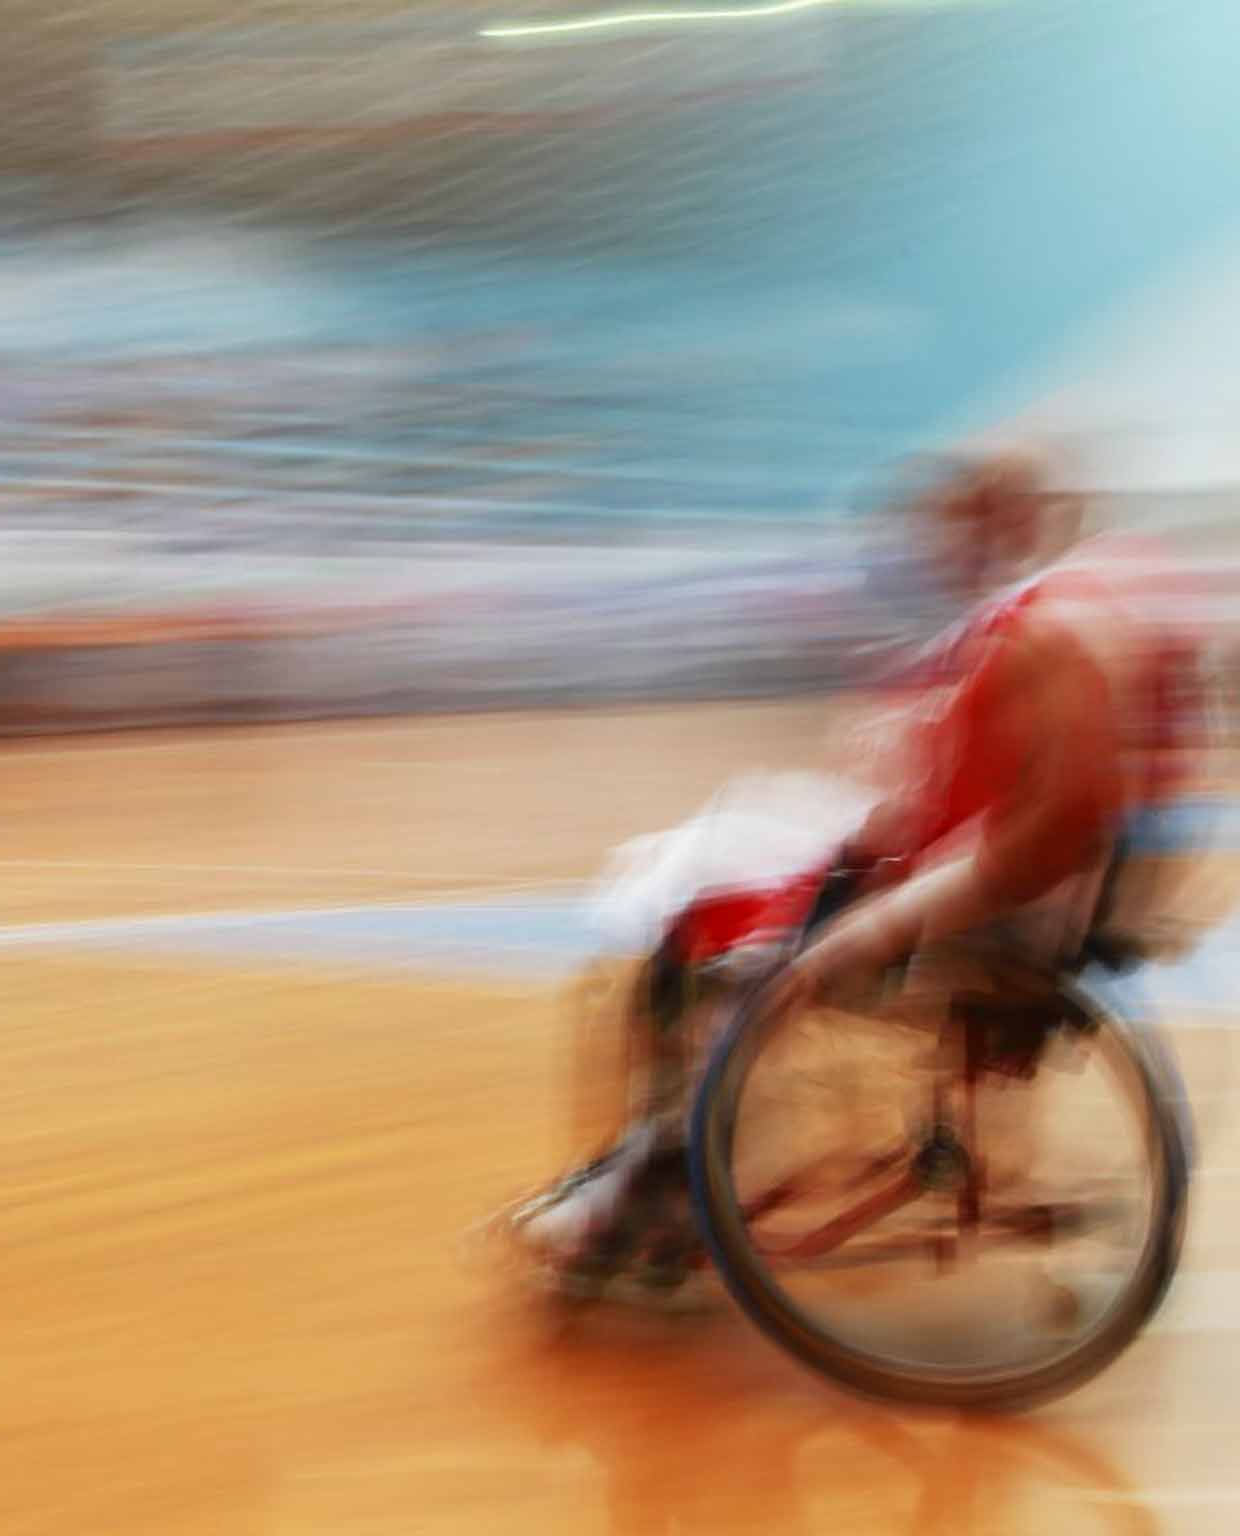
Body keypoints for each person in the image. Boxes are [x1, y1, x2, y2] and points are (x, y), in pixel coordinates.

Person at [500, 446, 1212, 1294]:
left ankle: (654, 1186)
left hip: (972, 914)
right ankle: (659, 1168)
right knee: (732, 851)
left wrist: (884, 921)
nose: (940, 543)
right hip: (991, 893)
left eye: (960, 520)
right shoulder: (1082, 607)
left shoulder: (1056, 628)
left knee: (693, 936)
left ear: (1004, 520)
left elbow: (1051, 831)